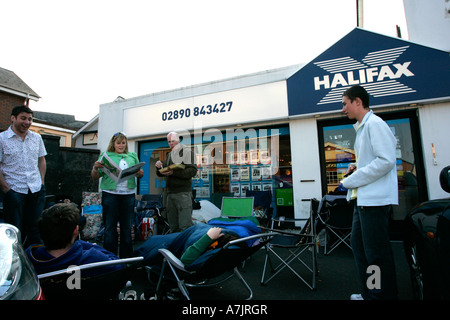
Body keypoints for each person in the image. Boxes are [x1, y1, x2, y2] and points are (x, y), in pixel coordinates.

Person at [341, 85, 398, 300]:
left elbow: (386, 161)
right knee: (361, 250)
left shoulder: (375, 124)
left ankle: (380, 296)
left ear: (358, 101)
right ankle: (370, 292)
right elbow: (373, 160)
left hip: (374, 202)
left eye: (345, 103)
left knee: (376, 255)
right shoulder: (364, 128)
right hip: (362, 200)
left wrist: (351, 179)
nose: (343, 109)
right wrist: (356, 165)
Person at [26, 203, 124, 277]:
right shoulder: (92, 257)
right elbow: (119, 266)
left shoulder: (29, 259)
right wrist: (90, 246)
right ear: (76, 231)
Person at [0, 105, 47, 248]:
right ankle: (16, 266)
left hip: (35, 190)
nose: (27, 122)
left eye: (30, 119)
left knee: (35, 231)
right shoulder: (2, 139)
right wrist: (7, 190)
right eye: (23, 118)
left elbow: (41, 160)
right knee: (14, 233)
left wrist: (42, 183)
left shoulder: (36, 138)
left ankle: (34, 264)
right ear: (13, 118)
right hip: (14, 191)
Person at [91, 132, 144, 258]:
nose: (121, 145)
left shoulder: (132, 156)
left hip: (128, 195)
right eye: (118, 143)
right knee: (110, 227)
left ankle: (127, 259)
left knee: (127, 227)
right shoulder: (105, 155)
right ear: (113, 144)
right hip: (110, 195)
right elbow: (95, 177)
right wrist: (95, 168)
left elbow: (140, 174)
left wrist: (139, 173)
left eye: (123, 143)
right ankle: (109, 258)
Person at [155, 131, 197, 232]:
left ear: (178, 140)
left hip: (183, 194)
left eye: (173, 141)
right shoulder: (170, 155)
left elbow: (193, 171)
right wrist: (159, 167)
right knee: (173, 227)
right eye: (169, 141)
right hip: (170, 194)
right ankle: (175, 247)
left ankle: (186, 248)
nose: (171, 143)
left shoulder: (187, 152)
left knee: (185, 227)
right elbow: (162, 172)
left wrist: (173, 172)